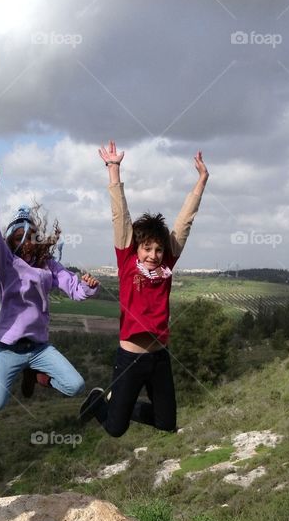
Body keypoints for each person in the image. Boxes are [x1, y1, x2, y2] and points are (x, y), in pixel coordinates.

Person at [80, 142, 209, 436]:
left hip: (160, 357)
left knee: (166, 423)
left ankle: (118, 403)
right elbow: (120, 216)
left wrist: (201, 182)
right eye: (147, 248)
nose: (153, 255)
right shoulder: (127, 261)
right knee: (115, 429)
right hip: (130, 358)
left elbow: (183, 223)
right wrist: (114, 170)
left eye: (158, 249)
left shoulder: (166, 267)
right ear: (136, 248)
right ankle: (101, 402)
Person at [0, 163, 100, 411]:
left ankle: (35, 374)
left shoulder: (49, 266)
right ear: (11, 241)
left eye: (31, 236)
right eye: (18, 237)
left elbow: (74, 289)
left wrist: (87, 287)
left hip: (39, 347)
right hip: (8, 348)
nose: (26, 242)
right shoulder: (6, 264)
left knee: (75, 386)